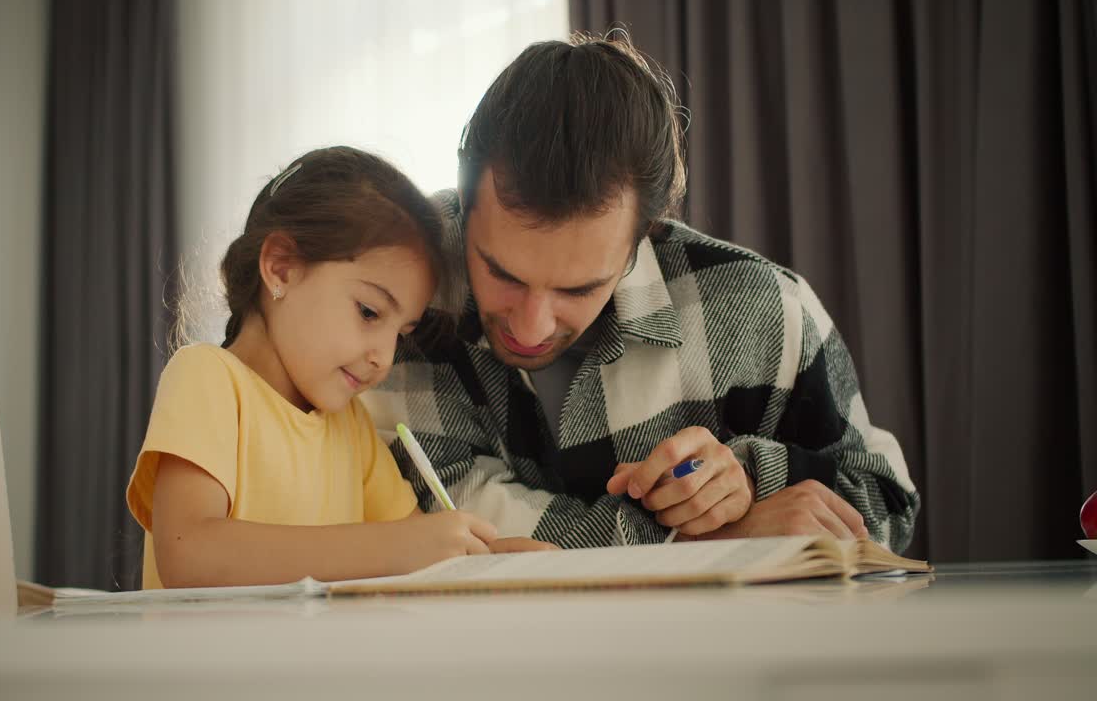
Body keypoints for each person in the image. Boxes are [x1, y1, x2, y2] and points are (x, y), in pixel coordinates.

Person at [361, 35, 921, 552]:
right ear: (464, 202)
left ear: (645, 232)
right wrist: (712, 536)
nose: (529, 327)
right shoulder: (391, 290)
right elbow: (459, 527)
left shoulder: (764, 307)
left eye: (578, 288)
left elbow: (889, 507)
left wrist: (755, 476)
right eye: (501, 273)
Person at [126, 147, 545, 590]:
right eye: (369, 312)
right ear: (281, 268)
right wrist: (393, 548)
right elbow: (189, 555)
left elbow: (424, 555)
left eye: (401, 333)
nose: (384, 358)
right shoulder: (207, 378)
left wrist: (495, 564)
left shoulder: (353, 430)